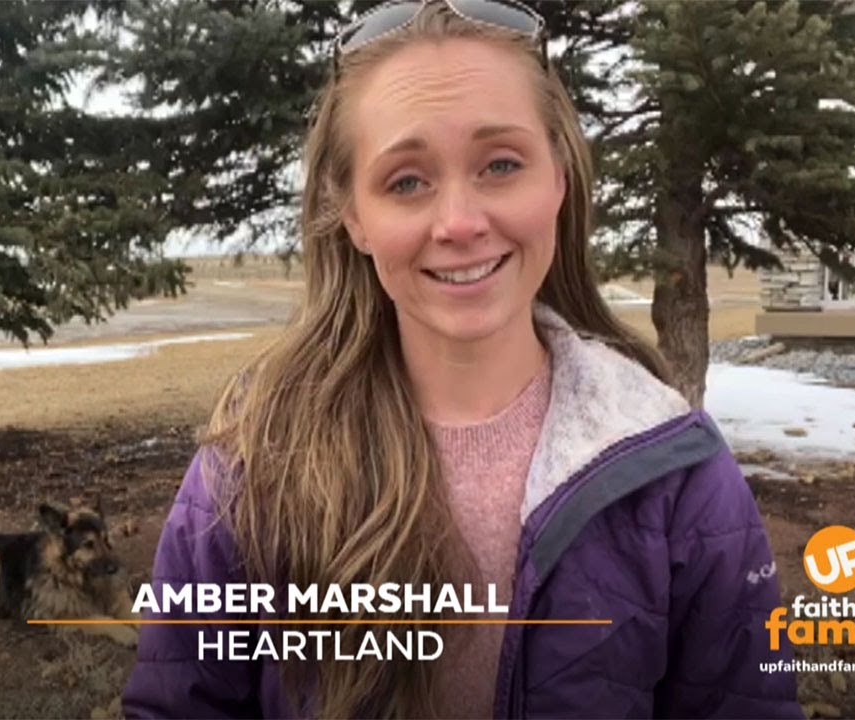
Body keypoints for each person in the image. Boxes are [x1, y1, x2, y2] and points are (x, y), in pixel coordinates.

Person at [123, 1, 802, 717]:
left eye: (500, 165)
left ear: (559, 178)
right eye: (406, 181)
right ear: (353, 215)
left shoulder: (674, 469)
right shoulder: (255, 460)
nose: (459, 224)